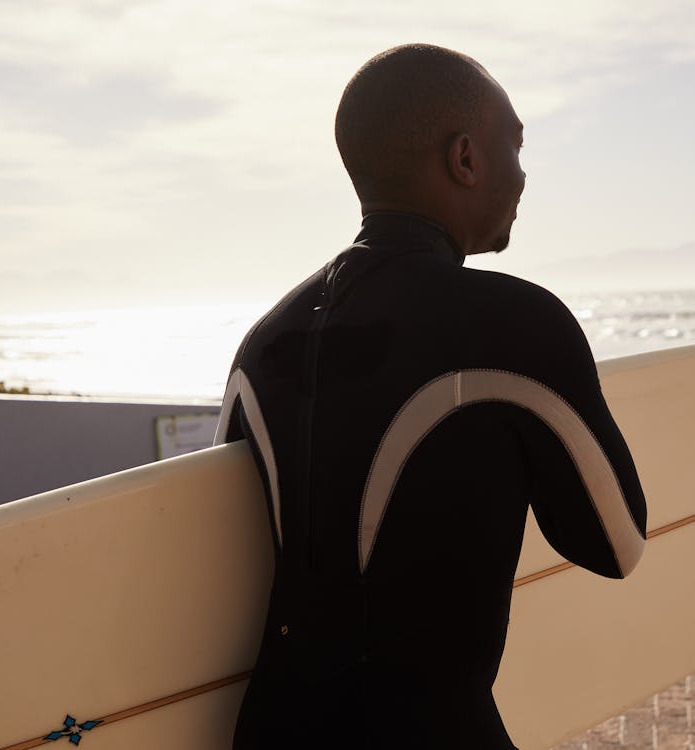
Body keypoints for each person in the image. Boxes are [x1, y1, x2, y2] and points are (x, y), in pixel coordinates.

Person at [215, 43, 647, 750]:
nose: (523, 174)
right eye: (515, 146)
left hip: (269, 731)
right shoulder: (517, 322)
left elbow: (229, 555)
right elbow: (614, 543)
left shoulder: (262, 342)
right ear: (465, 158)